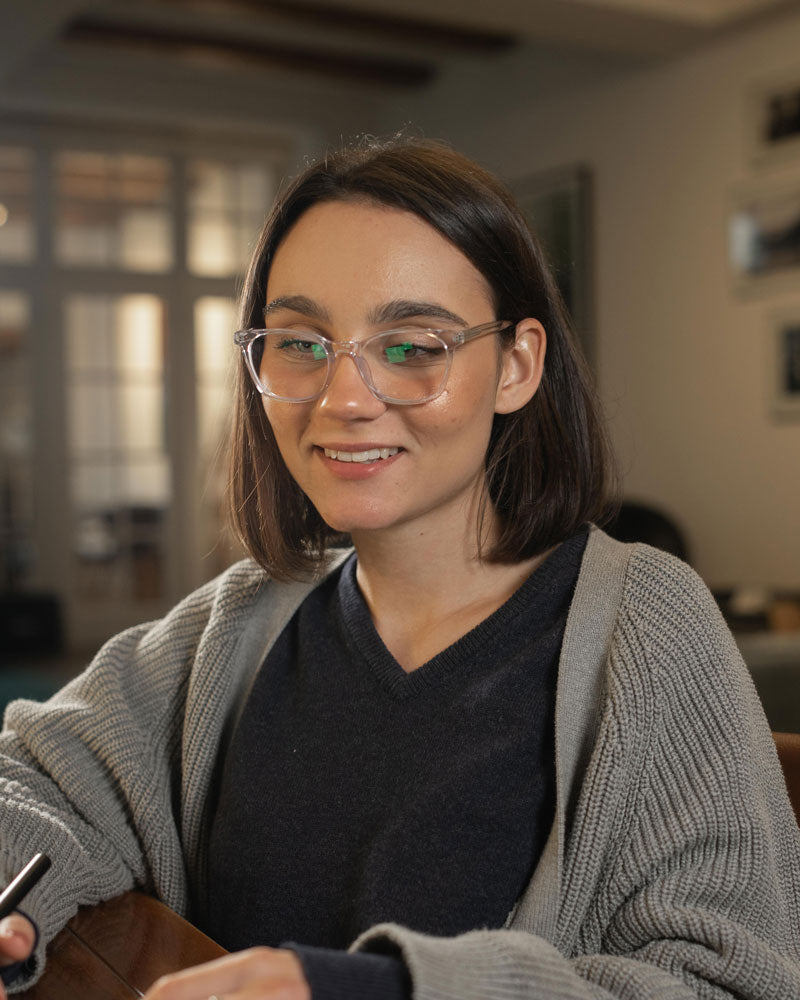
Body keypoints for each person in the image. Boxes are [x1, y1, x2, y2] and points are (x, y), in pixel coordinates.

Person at [0, 136, 798, 1000]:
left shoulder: (646, 625)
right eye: (301, 343)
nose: (344, 399)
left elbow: (730, 982)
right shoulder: (232, 627)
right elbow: (29, 778)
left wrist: (365, 989)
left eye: (413, 346)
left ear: (517, 366)